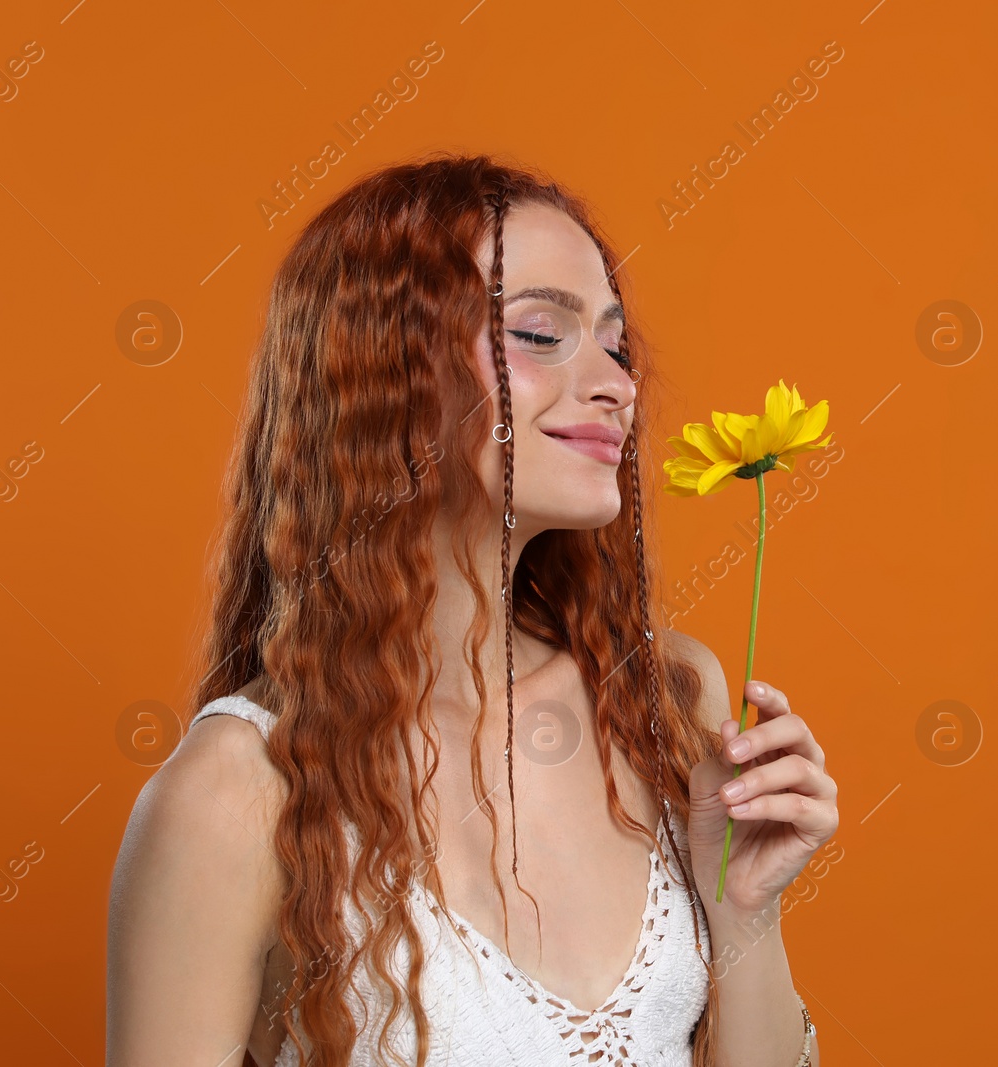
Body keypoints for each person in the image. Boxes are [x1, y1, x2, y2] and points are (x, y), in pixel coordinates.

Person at [106, 152, 837, 1067]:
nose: (617, 382)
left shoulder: (664, 692)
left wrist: (747, 915)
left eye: (614, 342)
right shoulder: (236, 791)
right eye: (540, 334)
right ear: (385, 373)